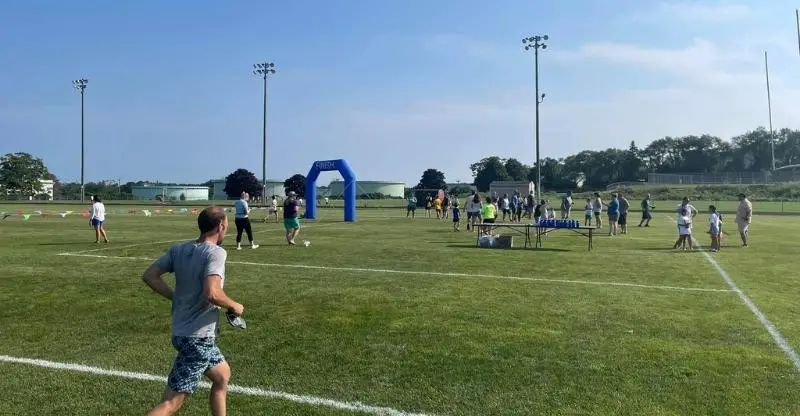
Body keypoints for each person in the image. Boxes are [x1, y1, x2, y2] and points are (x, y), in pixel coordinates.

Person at [142, 206, 244, 416]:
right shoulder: (216, 253)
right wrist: (234, 305)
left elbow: (150, 275)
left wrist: (174, 296)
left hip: (184, 333)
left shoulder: (179, 249)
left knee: (222, 375)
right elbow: (212, 293)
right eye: (226, 226)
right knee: (171, 403)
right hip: (197, 339)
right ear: (220, 226)